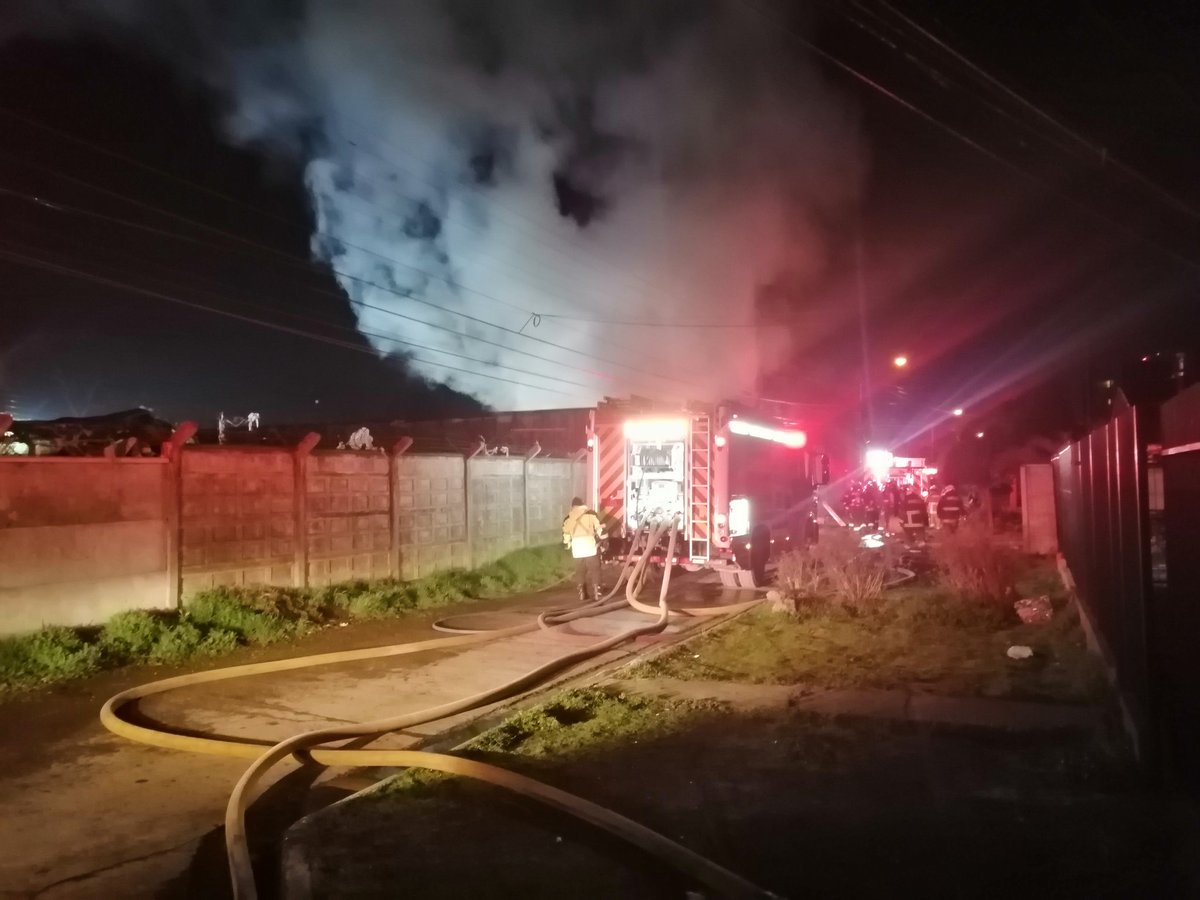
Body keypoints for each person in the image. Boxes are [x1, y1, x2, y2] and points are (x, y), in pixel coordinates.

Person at [562, 497, 606, 602]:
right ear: (582, 504)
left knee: (580, 571)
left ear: (573, 506)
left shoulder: (568, 517)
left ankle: (582, 593)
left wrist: (568, 544)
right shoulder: (591, 514)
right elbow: (600, 529)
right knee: (595, 570)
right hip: (590, 546)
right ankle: (597, 593)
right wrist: (604, 542)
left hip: (577, 548)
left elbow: (566, 535)